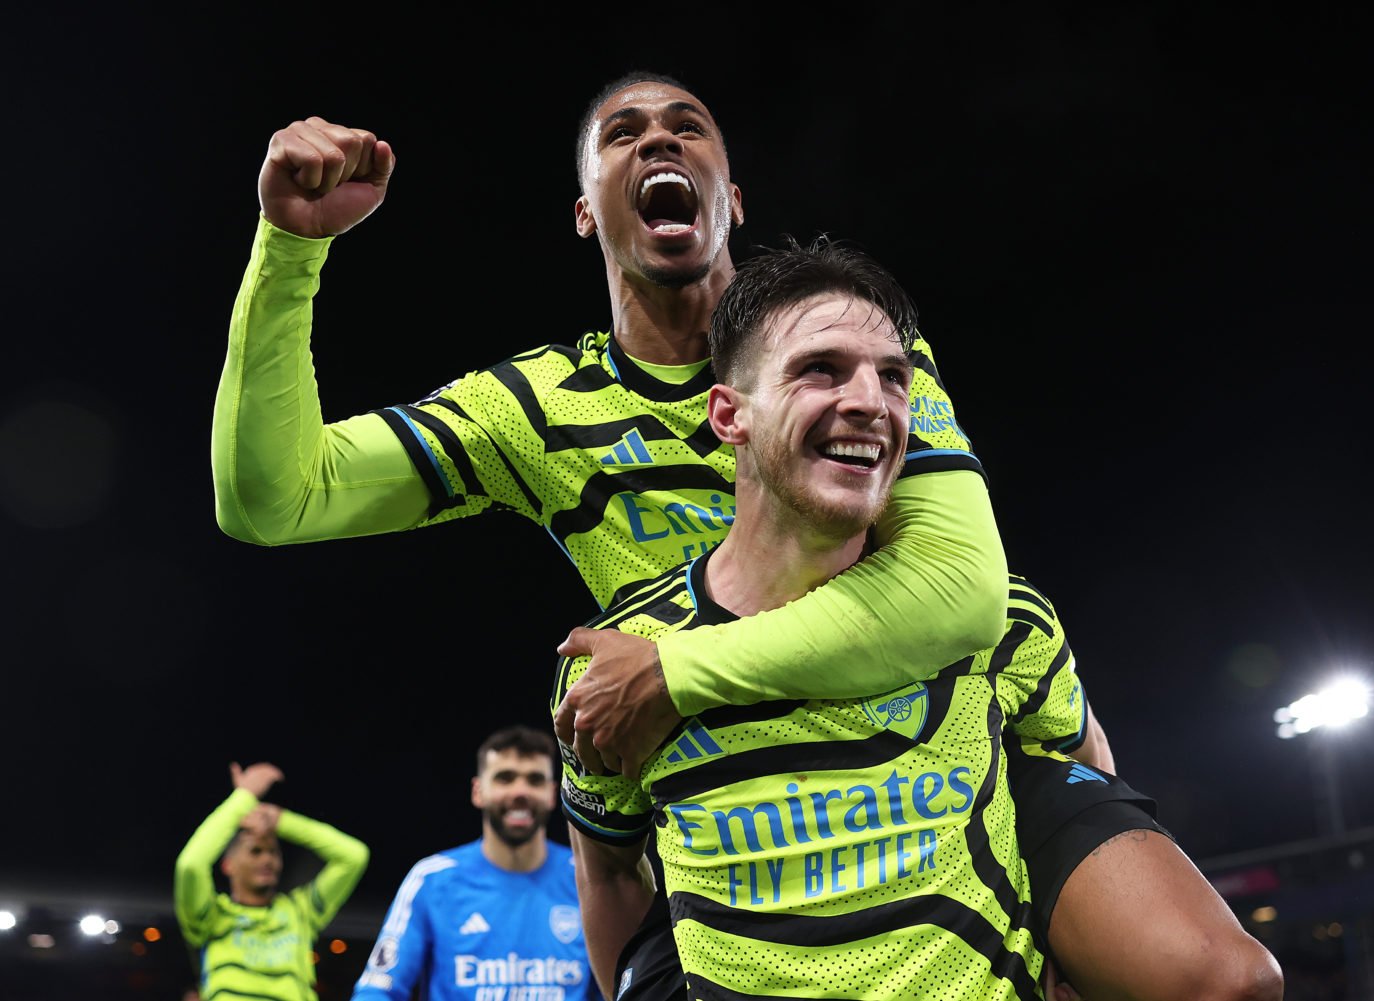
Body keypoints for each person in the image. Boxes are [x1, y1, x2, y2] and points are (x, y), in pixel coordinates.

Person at [217, 72, 1277, 1001]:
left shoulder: (849, 346)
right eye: (624, 133)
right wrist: (290, 253)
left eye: (688, 127)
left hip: (926, 723)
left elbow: (959, 593)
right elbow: (273, 498)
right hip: (733, 786)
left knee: (1216, 974)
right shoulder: (537, 406)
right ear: (588, 211)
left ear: (734, 198)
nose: (660, 141)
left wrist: (676, 667)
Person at [554, 234, 1092, 999]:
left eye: (894, 379)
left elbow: (1086, 775)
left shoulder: (1007, 619)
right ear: (728, 415)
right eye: (820, 370)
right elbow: (607, 869)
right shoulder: (619, 665)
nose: (871, 402)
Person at [351, 725, 601, 1000]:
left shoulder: (587, 878)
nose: (520, 791)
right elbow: (377, 990)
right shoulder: (432, 880)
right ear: (478, 791)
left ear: (554, 793)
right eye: (505, 778)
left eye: (535, 780)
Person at [173, 761, 369, 1001]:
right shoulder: (211, 917)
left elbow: (354, 856)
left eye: (273, 852)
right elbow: (191, 865)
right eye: (255, 851)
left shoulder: (301, 912)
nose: (267, 859)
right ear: (228, 865)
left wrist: (280, 820)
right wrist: (243, 799)